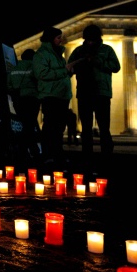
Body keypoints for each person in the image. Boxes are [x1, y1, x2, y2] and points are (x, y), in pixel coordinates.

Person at [68, 24, 120, 159]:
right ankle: (87, 155)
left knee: (104, 127)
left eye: (93, 40)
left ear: (98, 38)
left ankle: (107, 154)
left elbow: (116, 67)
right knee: (86, 128)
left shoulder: (107, 50)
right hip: (84, 92)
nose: (90, 42)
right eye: (88, 40)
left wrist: (98, 62)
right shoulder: (79, 51)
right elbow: (69, 68)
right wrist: (79, 65)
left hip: (101, 93)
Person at [33, 27, 74, 166]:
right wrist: (64, 71)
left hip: (62, 95)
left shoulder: (58, 54)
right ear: (50, 39)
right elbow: (41, 74)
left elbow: (60, 73)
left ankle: (57, 153)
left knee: (59, 127)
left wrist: (69, 72)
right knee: (50, 126)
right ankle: (47, 154)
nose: (61, 39)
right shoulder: (42, 54)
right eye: (58, 37)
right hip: (50, 95)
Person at [7, 49, 41, 158]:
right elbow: (39, 81)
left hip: (18, 100)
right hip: (31, 99)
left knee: (26, 124)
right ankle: (27, 149)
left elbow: (8, 85)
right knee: (29, 125)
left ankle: (29, 149)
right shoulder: (34, 67)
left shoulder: (14, 69)